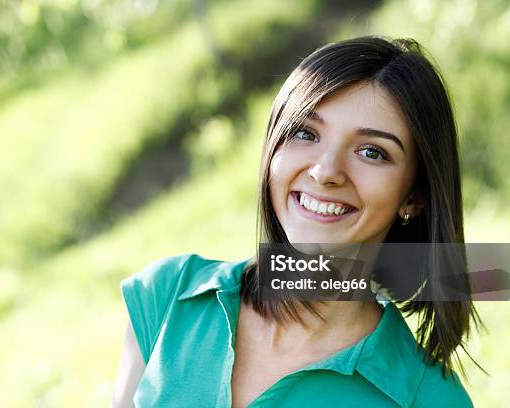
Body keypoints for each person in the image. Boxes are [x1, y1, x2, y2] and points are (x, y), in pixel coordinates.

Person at [111, 36, 479, 407]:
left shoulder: (430, 398)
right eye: (305, 133)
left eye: (371, 152)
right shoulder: (169, 297)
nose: (325, 171)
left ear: (414, 197)